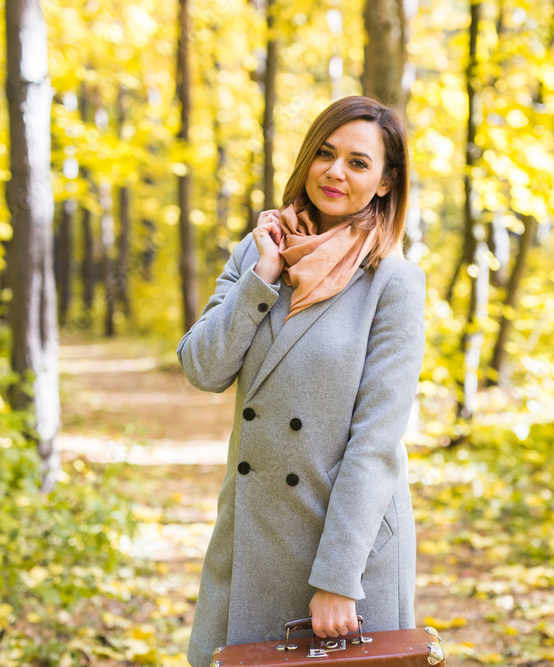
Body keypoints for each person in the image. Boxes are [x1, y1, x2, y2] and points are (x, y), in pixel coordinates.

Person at [177, 95, 426, 667]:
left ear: (386, 181)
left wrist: (339, 576)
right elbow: (203, 368)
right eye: (325, 153)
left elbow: (376, 442)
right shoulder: (258, 250)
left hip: (345, 544)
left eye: (358, 162)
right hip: (252, 534)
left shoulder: (393, 283)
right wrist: (263, 275)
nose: (336, 172)